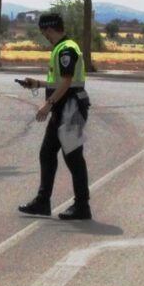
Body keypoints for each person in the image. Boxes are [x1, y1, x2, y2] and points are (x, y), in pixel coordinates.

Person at [17, 13, 92, 220]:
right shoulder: (62, 48)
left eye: (44, 32)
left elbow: (67, 82)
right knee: (47, 153)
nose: (45, 37)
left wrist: (47, 105)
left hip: (71, 108)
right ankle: (43, 202)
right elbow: (61, 82)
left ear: (49, 30)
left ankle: (82, 206)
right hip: (64, 108)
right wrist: (38, 84)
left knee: (73, 158)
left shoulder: (66, 49)